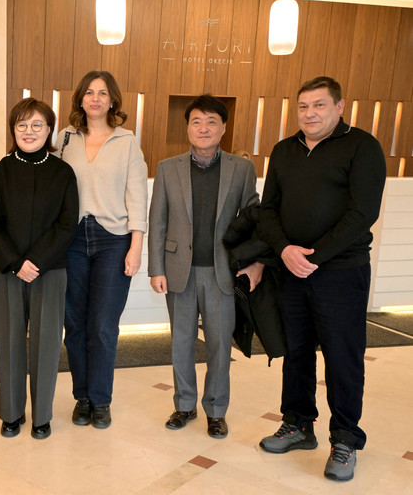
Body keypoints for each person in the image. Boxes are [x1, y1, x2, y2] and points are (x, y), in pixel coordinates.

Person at [258, 76, 386, 482]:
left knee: (342, 357)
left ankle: (345, 439)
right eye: (303, 106)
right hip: (292, 269)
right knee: (296, 352)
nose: (309, 113)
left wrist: (314, 256)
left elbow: (362, 213)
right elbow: (268, 209)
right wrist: (284, 249)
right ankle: (298, 424)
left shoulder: (362, 147)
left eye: (319, 105)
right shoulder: (284, 150)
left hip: (342, 271)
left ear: (339, 106)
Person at [148, 94, 262, 439]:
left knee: (219, 345)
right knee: (181, 342)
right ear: (187, 128)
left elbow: (254, 219)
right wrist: (156, 268)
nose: (203, 128)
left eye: (211, 122)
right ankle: (184, 405)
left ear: (223, 128)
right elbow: (158, 221)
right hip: (178, 270)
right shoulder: (167, 168)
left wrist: (255, 263)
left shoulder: (241, 169)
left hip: (222, 271)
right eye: (196, 121)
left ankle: (215, 410)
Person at [57, 70, 148, 429]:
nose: (95, 98)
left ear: (112, 101)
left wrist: (136, 247)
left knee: (103, 326)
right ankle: (82, 398)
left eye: (103, 93)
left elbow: (137, 197)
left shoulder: (127, 141)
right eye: (89, 92)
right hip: (73, 240)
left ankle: (101, 400)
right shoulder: (65, 138)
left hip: (114, 240)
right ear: (80, 99)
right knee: (75, 324)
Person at [0, 98, 79, 439]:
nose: (29, 131)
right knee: (9, 340)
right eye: (22, 125)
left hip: (49, 270)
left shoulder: (63, 173)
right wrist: (15, 263)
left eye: (37, 124)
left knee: (46, 342)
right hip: (7, 269)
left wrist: (35, 262)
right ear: (13, 130)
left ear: (49, 129)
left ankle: (42, 416)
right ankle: (11, 414)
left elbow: (67, 225)